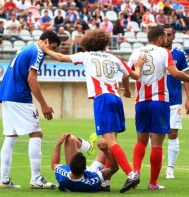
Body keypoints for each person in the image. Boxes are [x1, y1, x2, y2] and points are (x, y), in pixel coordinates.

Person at [36, 29, 146, 193]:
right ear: (104, 43)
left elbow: (60, 57)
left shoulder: (86, 56)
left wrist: (45, 50)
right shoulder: (114, 57)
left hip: (102, 99)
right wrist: (138, 66)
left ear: (88, 43)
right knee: (110, 140)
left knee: (111, 142)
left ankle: (131, 174)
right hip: (116, 99)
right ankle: (105, 182)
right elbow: (136, 75)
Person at [122, 27, 189, 190]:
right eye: (164, 37)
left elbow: (125, 75)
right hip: (160, 101)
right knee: (157, 144)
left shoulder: (136, 52)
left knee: (141, 141)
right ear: (160, 39)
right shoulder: (164, 53)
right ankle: (153, 183)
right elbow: (175, 73)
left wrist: (127, 90)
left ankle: (136, 174)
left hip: (141, 103)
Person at [0, 30, 61, 189]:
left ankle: (3, 180)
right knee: (36, 133)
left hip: (6, 95)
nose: (51, 51)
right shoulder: (38, 51)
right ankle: (36, 179)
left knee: (11, 136)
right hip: (19, 96)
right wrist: (43, 104)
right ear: (46, 41)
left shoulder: (25, 49)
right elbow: (31, 79)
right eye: (52, 47)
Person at [163, 24, 189, 179]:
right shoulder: (156, 53)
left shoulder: (179, 54)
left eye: (170, 34)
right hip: (157, 99)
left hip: (174, 100)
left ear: (173, 36)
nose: (167, 37)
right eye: (165, 34)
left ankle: (170, 168)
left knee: (173, 133)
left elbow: (186, 77)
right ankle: (158, 155)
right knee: (151, 133)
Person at [52, 133, 119, 192]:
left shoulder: (63, 174)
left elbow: (54, 164)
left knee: (70, 138)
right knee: (108, 140)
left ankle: (89, 146)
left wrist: (58, 144)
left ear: (69, 165)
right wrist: (106, 151)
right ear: (85, 168)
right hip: (94, 171)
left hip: (77, 176)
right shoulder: (92, 180)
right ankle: (129, 174)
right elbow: (114, 168)